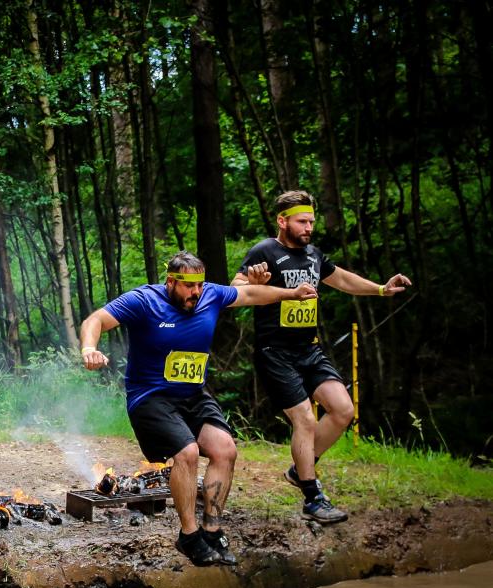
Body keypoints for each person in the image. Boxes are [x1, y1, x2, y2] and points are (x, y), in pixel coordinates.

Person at [80, 252, 318, 567]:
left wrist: (292, 293)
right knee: (188, 453)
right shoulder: (143, 300)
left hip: (194, 395)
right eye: (189, 286)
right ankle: (189, 536)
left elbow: (250, 293)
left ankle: (212, 529)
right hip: (151, 397)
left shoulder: (211, 295)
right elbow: (95, 320)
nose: (196, 293)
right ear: (171, 282)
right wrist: (89, 348)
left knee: (226, 450)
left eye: (200, 285)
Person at [233, 191, 412, 524]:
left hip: (309, 349)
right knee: (305, 419)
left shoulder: (314, 255)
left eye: (312, 221)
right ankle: (312, 497)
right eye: (302, 221)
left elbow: (341, 278)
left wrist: (380, 289)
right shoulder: (264, 251)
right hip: (276, 352)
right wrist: (252, 283)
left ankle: (300, 470)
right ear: (282, 220)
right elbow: (235, 289)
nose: (309, 228)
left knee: (343, 410)